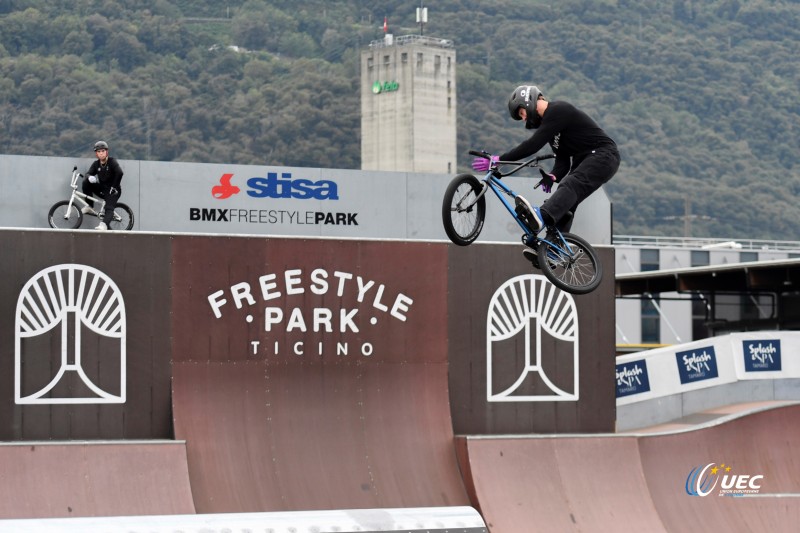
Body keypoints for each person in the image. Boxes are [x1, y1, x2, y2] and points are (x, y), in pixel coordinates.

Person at [472, 85, 620, 264]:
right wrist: (553, 176)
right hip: (588, 161)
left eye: (521, 113)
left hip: (604, 155)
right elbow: (563, 161)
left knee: (570, 185)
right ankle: (553, 249)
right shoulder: (553, 132)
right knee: (566, 205)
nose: (524, 118)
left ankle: (541, 216)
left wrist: (499, 159)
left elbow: (533, 145)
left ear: (528, 101)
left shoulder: (559, 110)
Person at [83, 140, 124, 230]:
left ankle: (104, 225)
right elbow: (88, 173)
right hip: (102, 189)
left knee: (108, 208)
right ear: (96, 154)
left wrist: (114, 187)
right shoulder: (96, 164)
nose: (101, 153)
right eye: (99, 152)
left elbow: (120, 173)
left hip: (113, 190)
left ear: (106, 152)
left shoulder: (112, 161)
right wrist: (89, 176)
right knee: (86, 182)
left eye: (103, 151)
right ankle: (90, 206)